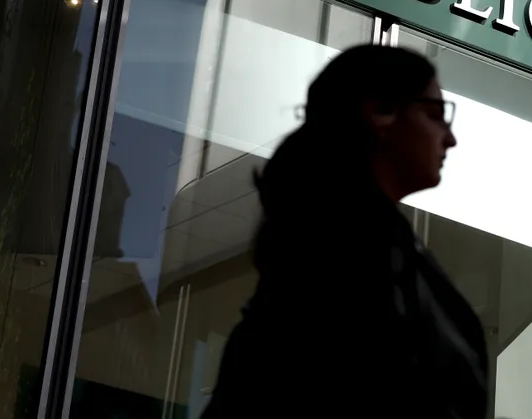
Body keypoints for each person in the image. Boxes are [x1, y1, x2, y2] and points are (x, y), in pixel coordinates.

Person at [201, 45, 487, 419]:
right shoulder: (348, 253)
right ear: (381, 112)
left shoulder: (350, 241)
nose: (450, 138)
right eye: (435, 114)